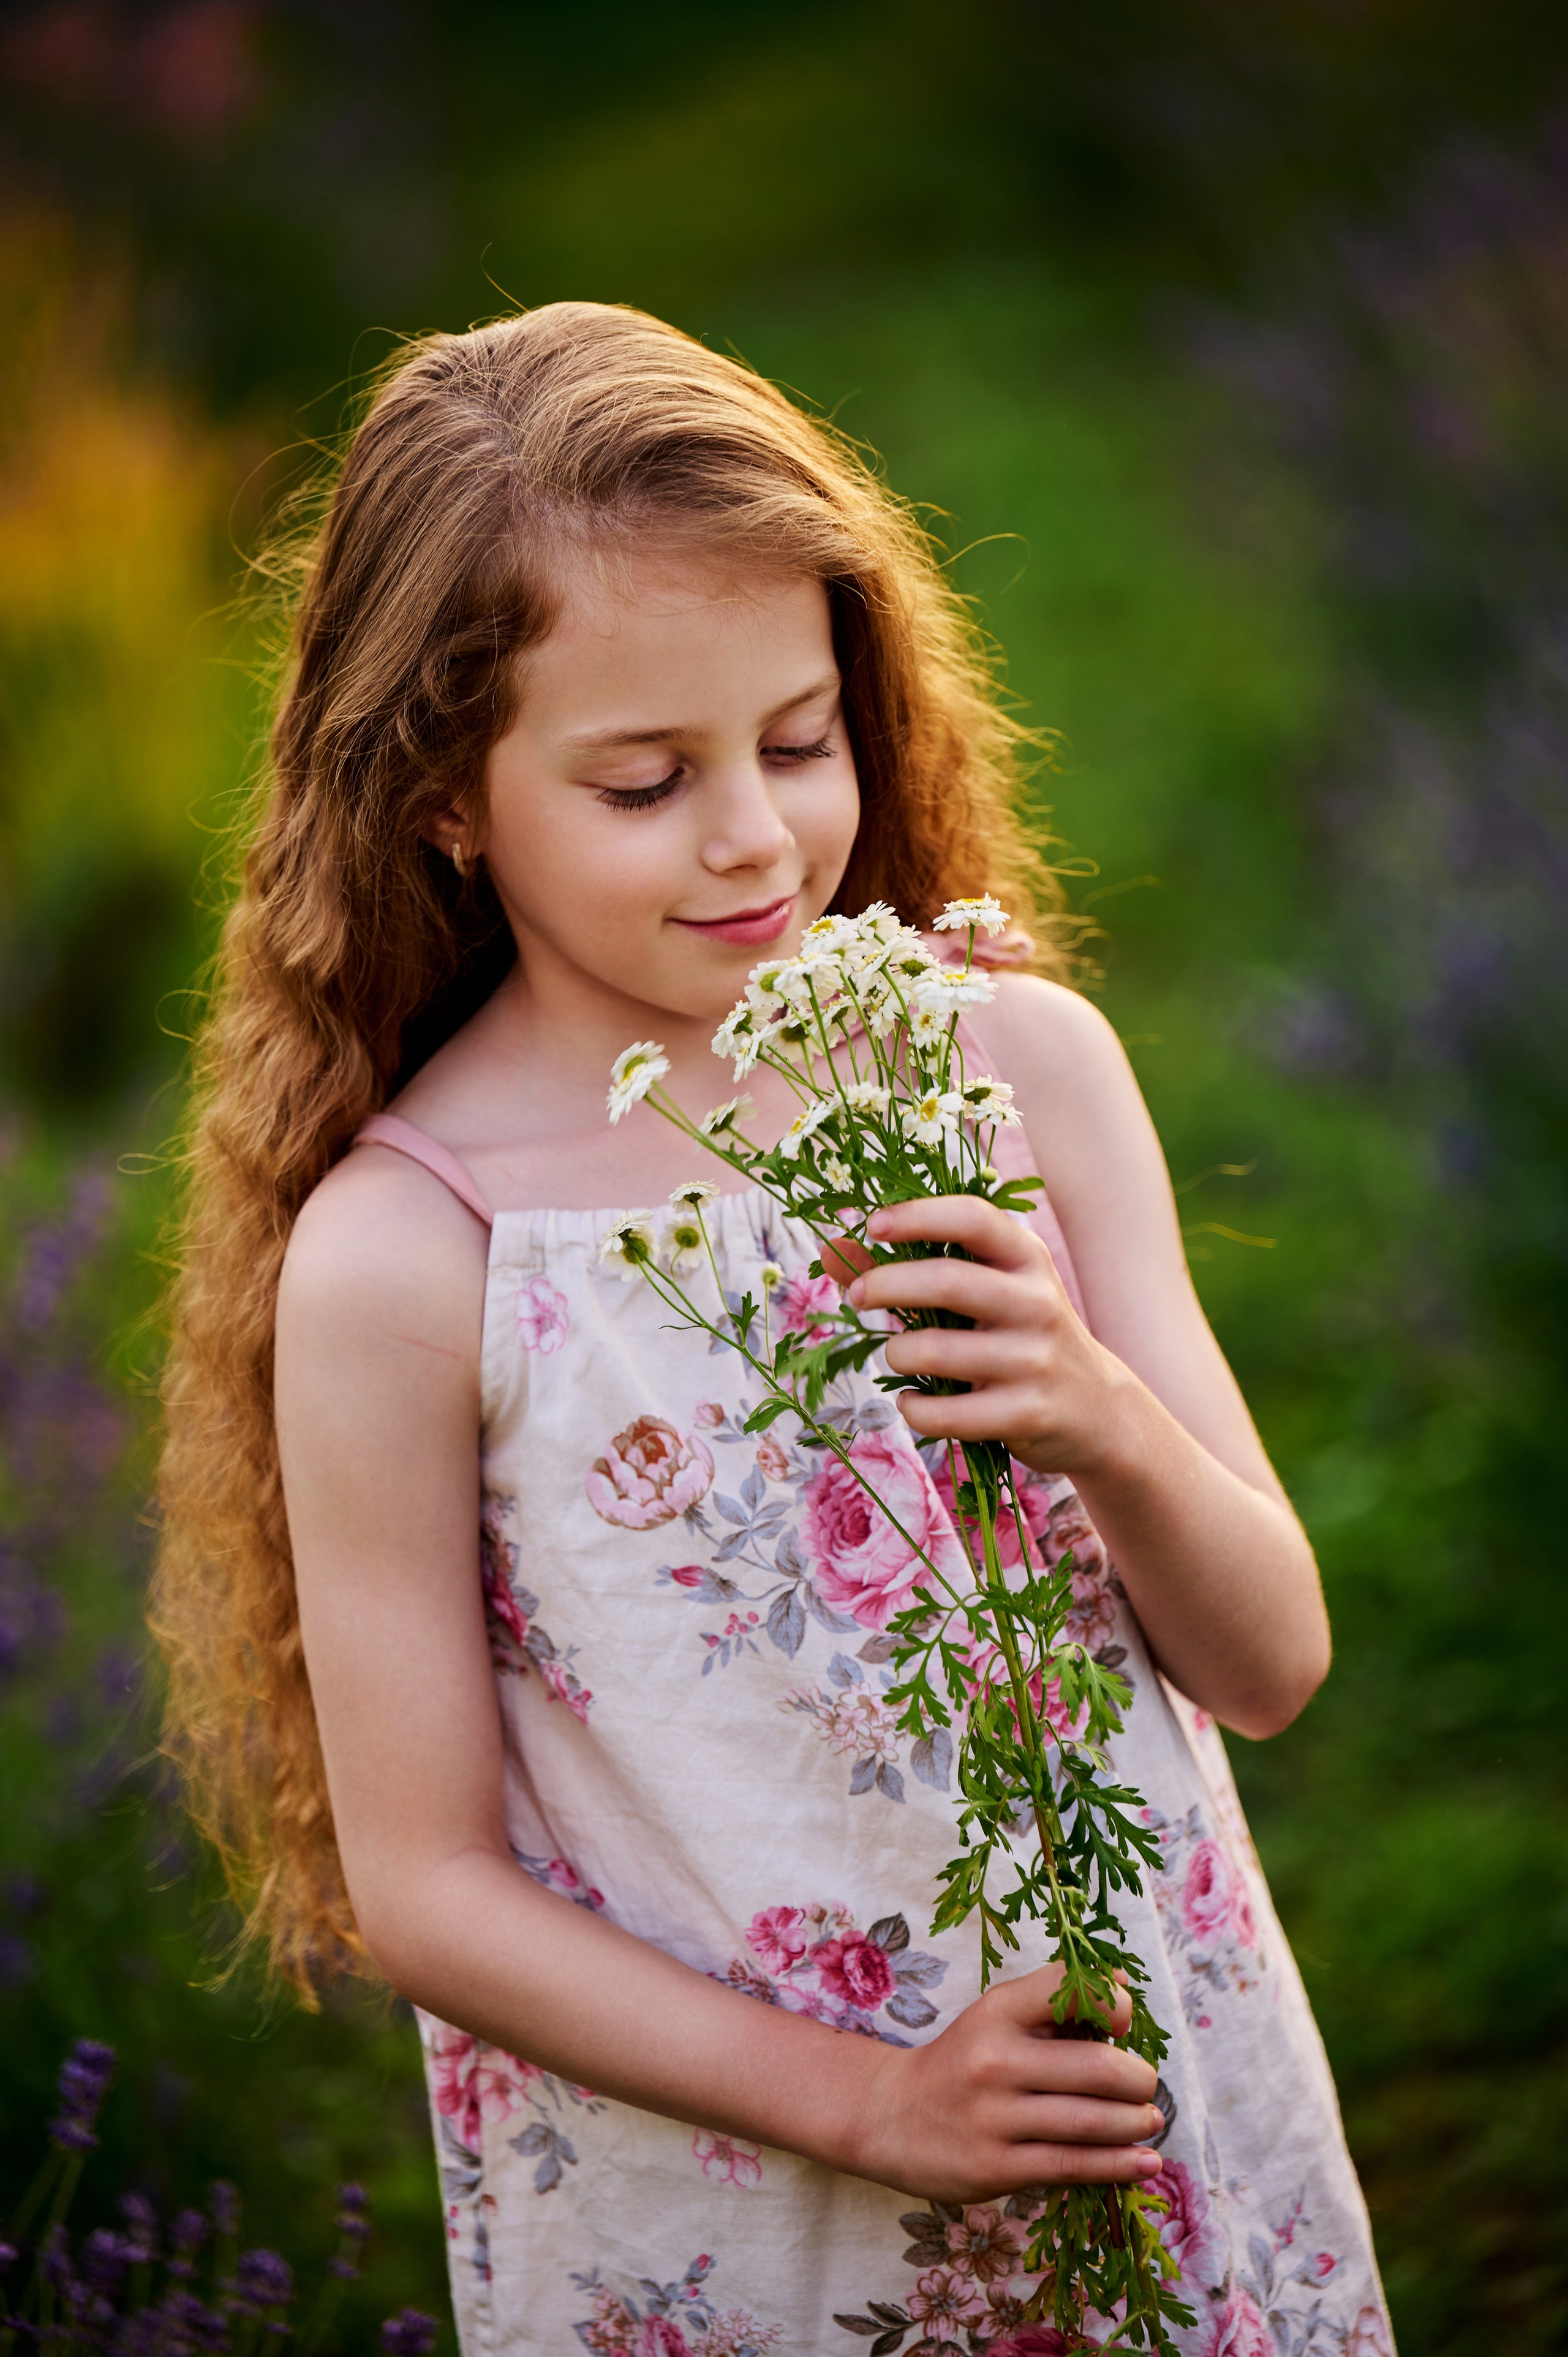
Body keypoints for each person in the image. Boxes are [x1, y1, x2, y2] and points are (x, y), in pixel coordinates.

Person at [151, 303, 1392, 2356]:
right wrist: (877, 2104)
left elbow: (1271, 1664)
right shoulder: (410, 1250)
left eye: (799, 741)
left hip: (1137, 2111)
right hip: (736, 2205)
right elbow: (426, 1884)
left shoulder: (1014, 1075)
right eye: (643, 782)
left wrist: (1096, 1411)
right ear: (449, 800)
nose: (754, 838)